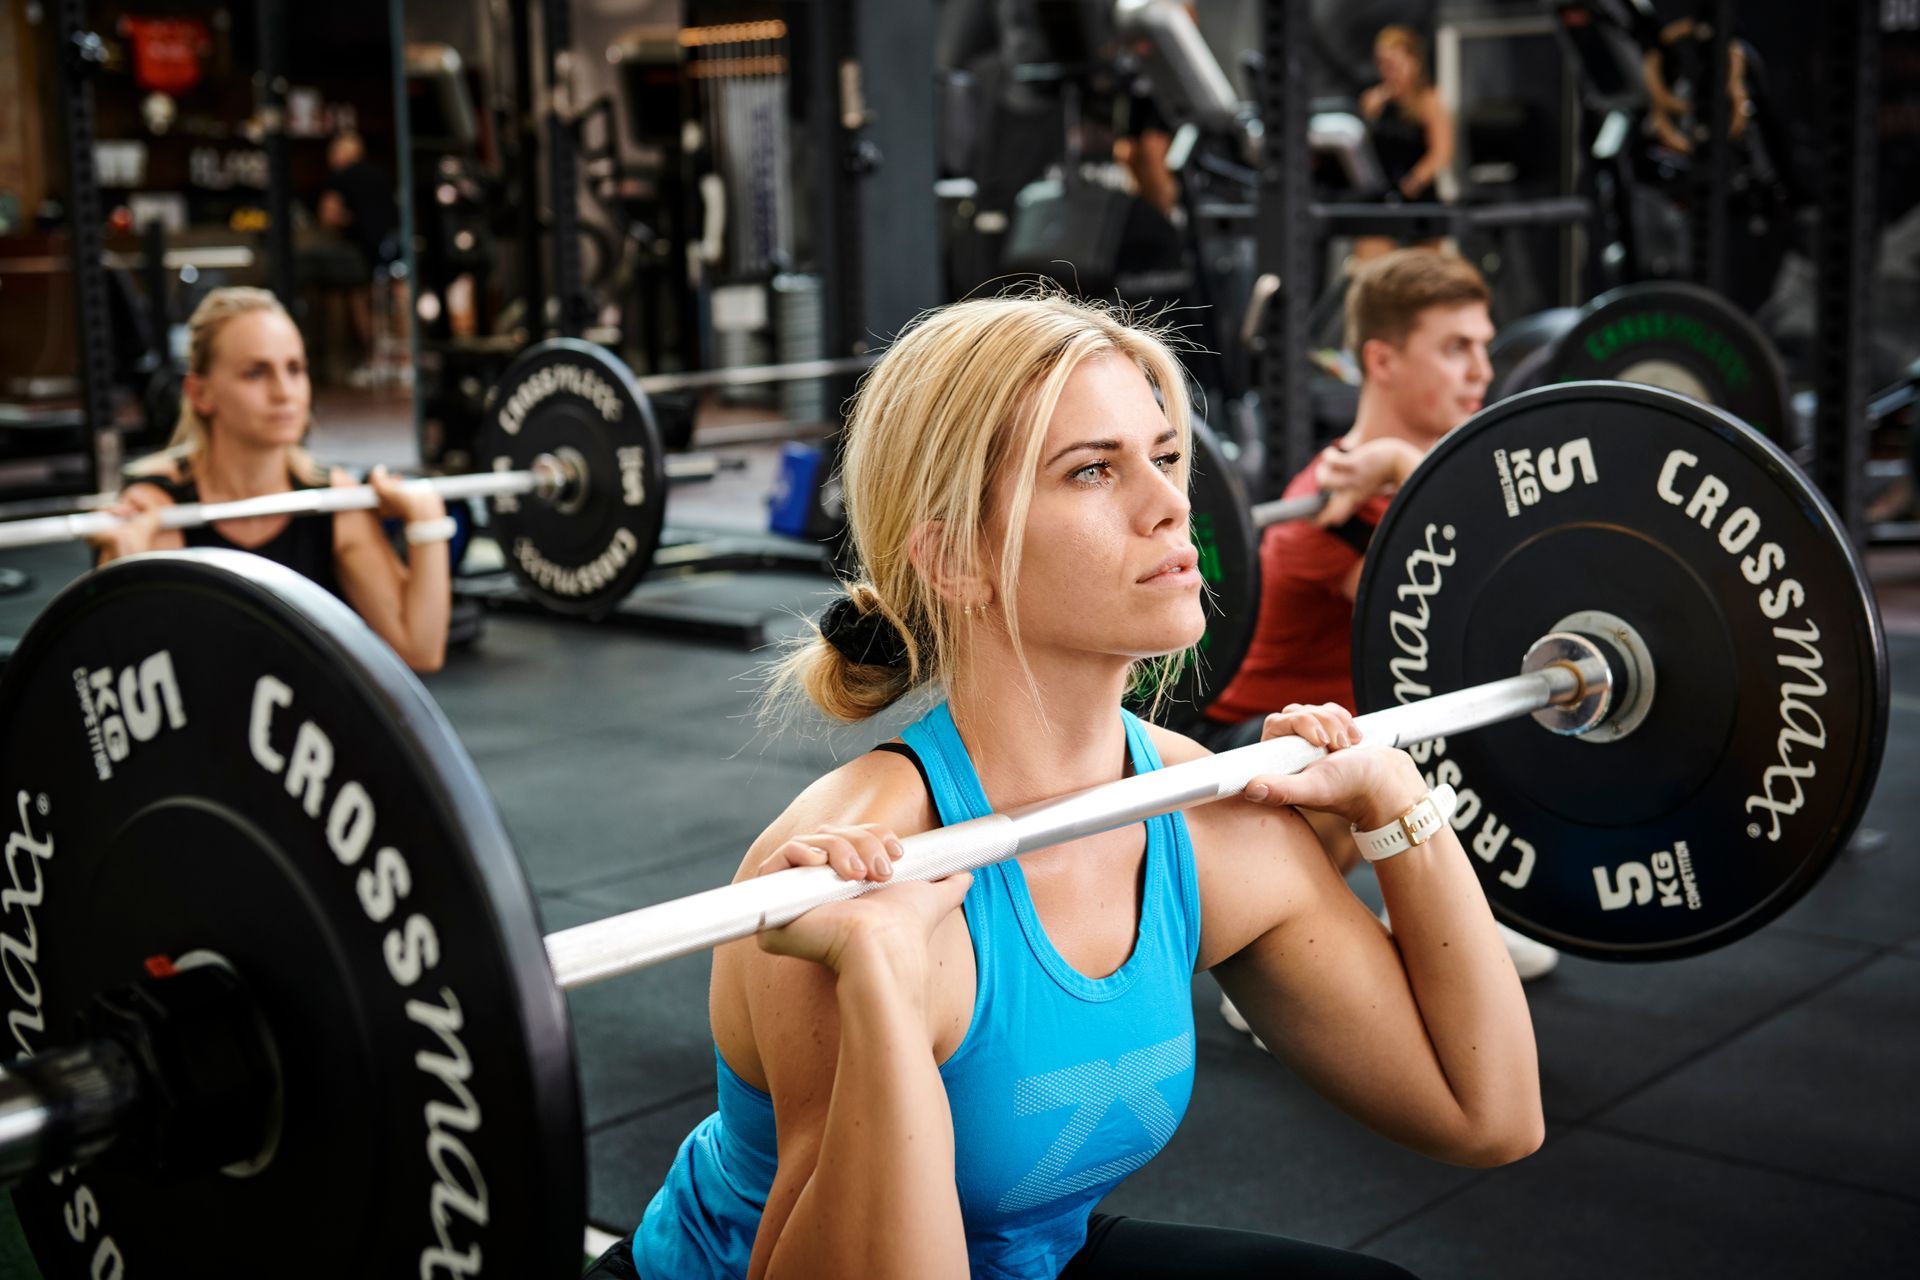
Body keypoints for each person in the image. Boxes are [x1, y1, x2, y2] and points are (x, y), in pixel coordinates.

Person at [584, 291, 1543, 1280]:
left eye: (1164, 455)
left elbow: (1488, 1112)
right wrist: (879, 983)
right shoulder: (854, 872)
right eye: (1092, 468)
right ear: (957, 557)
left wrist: (1396, 803)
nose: (1171, 501)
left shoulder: (1202, 818)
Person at [1201, 249, 1559, 991]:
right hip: (1245, 757)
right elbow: (1481, 614)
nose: (1482, 370)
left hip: (1350, 729)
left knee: (1466, 717)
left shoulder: (1421, 485)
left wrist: (1404, 462)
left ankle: (1427, 920)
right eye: (1455, 347)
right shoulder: (1326, 504)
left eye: (1485, 346)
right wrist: (1398, 462)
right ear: (1381, 359)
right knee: (1368, 740)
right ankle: (1276, 958)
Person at [91, 287, 452, 673]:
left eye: (295, 369)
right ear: (200, 393)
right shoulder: (157, 510)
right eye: (256, 373)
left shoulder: (331, 500)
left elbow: (420, 650)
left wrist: (427, 519)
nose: (285, 393)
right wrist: (124, 570)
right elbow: (139, 682)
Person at [1354, 26, 1454, 262]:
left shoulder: (1429, 101)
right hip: (1381, 199)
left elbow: (1441, 152)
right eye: (1383, 65)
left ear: (1413, 63)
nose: (1389, 72)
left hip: (1418, 199)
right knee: (1371, 269)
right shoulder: (1373, 101)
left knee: (1422, 275)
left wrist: (1413, 182)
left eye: (1394, 65)